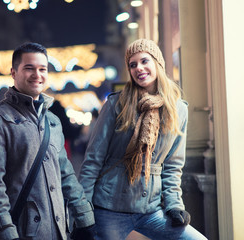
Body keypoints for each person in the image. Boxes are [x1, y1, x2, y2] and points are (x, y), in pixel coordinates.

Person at [79, 39, 207, 240]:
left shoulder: (178, 109)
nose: (139, 68)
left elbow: (173, 165)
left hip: (151, 208)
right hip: (110, 207)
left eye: (144, 61)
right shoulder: (116, 103)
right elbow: (93, 159)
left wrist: (174, 205)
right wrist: (83, 211)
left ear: (158, 63)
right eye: (133, 64)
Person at [0, 42, 96, 240]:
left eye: (42, 69)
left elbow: (66, 174)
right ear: (13, 72)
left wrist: (84, 216)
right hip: (22, 231)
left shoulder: (52, 121)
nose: (37, 75)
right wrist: (6, 232)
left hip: (59, 229)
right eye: (29, 68)